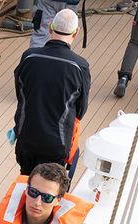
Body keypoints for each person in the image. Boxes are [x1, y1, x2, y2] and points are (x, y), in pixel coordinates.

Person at [12, 9, 90, 179]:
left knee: (26, 180)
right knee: (48, 188)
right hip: (56, 143)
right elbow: (81, 110)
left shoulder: (28, 57)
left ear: (50, 27)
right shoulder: (80, 66)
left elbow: (20, 93)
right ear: (76, 33)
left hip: (27, 137)